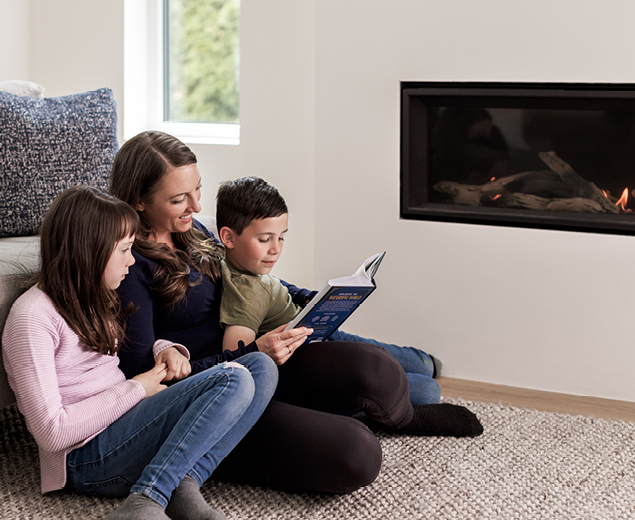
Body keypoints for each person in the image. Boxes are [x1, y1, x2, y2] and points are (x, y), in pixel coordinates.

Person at [109, 130, 484, 495]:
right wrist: (253, 354)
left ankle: (364, 409)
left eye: (198, 189)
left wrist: (314, 299)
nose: (197, 207)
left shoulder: (195, 235)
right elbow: (151, 382)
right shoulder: (127, 267)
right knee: (357, 454)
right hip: (215, 393)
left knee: (384, 374)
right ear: (140, 201)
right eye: (179, 199)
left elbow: (248, 280)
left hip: (264, 359)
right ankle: (338, 414)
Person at [1, 185, 278, 520]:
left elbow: (116, 356)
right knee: (232, 378)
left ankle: (183, 482)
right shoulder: (32, 317)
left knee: (260, 366)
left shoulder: (94, 294)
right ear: (90, 251)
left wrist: (164, 350)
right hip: (83, 458)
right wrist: (138, 388)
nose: (132, 261)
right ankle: (148, 497)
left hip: (127, 420)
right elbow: (52, 430)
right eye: (124, 250)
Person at [216, 176, 441, 405]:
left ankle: (428, 365)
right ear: (228, 237)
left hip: (322, 332)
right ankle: (425, 369)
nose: (276, 249)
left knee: (420, 365)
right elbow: (236, 359)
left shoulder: (249, 270)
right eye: (264, 239)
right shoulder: (243, 292)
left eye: (282, 237)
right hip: (315, 353)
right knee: (428, 391)